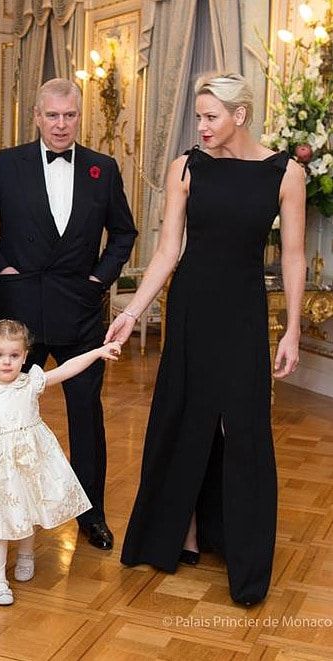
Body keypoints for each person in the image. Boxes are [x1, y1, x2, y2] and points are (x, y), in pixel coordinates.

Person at [106, 72, 306, 605]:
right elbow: (169, 250)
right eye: (198, 116)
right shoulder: (186, 168)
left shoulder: (285, 173)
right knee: (185, 415)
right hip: (192, 308)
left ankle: (243, 553)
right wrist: (133, 313)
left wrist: (293, 327)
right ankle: (183, 532)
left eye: (211, 116)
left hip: (243, 310)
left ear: (239, 115)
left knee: (244, 427)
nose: (202, 126)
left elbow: (291, 255)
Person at [0, 78, 137, 551]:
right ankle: (9, 509)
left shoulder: (102, 169)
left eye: (69, 115)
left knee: (86, 415)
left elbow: (123, 233)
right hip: (20, 314)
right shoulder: (7, 164)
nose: (61, 124)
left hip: (80, 312)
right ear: (37, 116)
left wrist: (98, 280)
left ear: (78, 116)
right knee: (9, 415)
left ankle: (93, 515)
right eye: (53, 115)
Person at [0, 319, 121, 605]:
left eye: (14, 355)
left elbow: (67, 368)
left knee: (28, 508)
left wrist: (97, 352)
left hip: (32, 461)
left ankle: (26, 553)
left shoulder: (30, 382)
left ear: (25, 355)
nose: (7, 362)